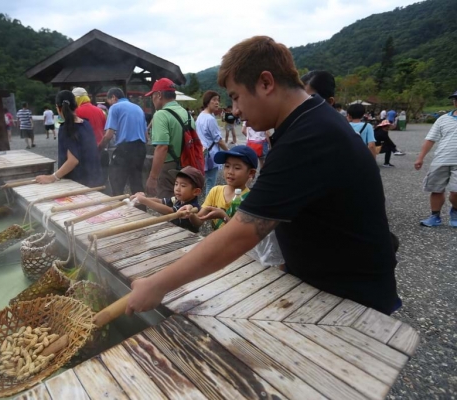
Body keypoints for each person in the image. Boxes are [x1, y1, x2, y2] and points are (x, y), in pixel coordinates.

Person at [125, 36, 400, 316]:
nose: (235, 110)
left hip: (350, 299)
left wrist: (158, 284)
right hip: (323, 284)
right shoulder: (309, 122)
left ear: (266, 83)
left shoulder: (308, 137)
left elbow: (241, 233)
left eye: (236, 96)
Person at [34, 91, 101, 187]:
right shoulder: (86, 124)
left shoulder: (66, 128)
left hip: (77, 183)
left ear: (58, 108)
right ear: (76, 105)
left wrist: (52, 177)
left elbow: (73, 160)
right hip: (94, 179)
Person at [145, 78, 196, 199]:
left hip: (169, 168)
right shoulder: (186, 113)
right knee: (184, 202)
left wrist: (153, 177)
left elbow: (162, 147)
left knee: (167, 203)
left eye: (152, 95)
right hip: (186, 164)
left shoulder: (161, 114)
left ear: (159, 95)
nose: (152, 99)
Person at [187, 146, 256, 231]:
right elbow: (198, 221)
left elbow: (243, 232)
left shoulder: (251, 200)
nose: (230, 172)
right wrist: (190, 213)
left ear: (251, 172)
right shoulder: (215, 191)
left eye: (237, 168)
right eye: (227, 166)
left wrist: (223, 216)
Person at [415, 90, 457, 228]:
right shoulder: (443, 119)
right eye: (455, 99)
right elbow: (430, 139)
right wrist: (420, 158)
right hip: (441, 159)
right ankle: (435, 216)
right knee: (436, 189)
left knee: (456, 192)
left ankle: (455, 211)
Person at [101, 88, 147, 195]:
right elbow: (146, 136)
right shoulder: (138, 108)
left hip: (125, 149)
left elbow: (109, 135)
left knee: (116, 180)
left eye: (109, 101)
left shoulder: (115, 107)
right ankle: (140, 204)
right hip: (141, 148)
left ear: (113, 97)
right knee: (136, 182)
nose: (110, 104)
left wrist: (99, 147)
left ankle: (119, 203)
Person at [131, 166, 203, 233]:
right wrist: (141, 199)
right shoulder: (178, 199)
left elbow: (170, 211)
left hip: (188, 237)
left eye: (183, 185)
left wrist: (144, 201)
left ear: (196, 191)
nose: (177, 189)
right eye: (176, 184)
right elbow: (160, 201)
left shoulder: (193, 206)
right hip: (175, 233)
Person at [73, 87, 108, 185]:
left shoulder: (77, 112)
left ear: (77, 98)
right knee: (102, 182)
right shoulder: (100, 111)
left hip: (86, 153)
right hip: (101, 150)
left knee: (87, 184)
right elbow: (105, 130)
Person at [195, 90, 228, 194]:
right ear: (207, 101)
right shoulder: (210, 118)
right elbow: (218, 140)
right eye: (214, 100)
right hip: (211, 154)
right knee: (210, 183)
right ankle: (208, 203)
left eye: (218, 100)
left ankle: (205, 202)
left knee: (205, 181)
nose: (217, 102)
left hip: (202, 152)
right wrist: (228, 151)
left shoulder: (200, 116)